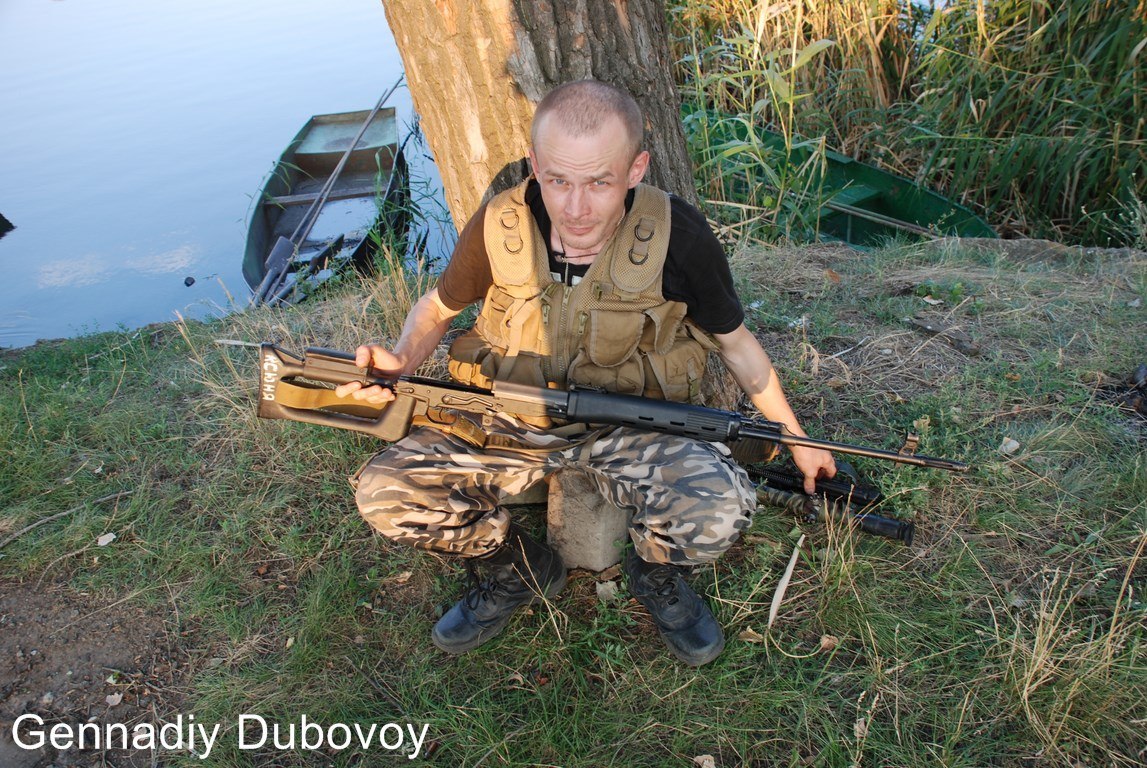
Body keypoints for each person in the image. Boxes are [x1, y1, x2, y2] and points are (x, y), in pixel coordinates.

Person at [336, 79, 835, 667]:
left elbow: (737, 346)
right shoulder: (503, 223)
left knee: (719, 508)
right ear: (536, 165)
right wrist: (402, 358)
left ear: (635, 169)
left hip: (628, 430)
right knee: (386, 493)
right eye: (558, 181)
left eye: (599, 182)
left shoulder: (681, 238)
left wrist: (798, 440)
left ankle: (655, 574)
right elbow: (437, 309)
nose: (575, 208)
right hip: (509, 423)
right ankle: (515, 570)